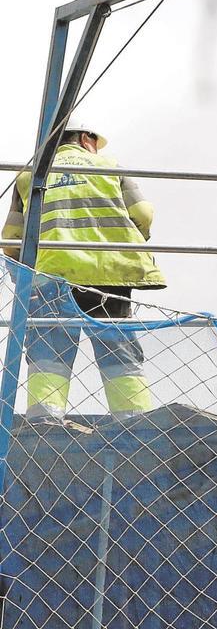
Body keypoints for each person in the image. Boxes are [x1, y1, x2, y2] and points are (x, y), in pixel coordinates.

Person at [1, 121, 165, 423]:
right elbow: (143, 214)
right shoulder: (109, 167)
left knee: (49, 349)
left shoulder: (29, 174)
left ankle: (44, 420)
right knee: (117, 346)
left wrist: (22, 270)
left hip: (49, 278)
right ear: (86, 138)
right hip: (108, 277)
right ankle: (133, 420)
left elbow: (10, 237)